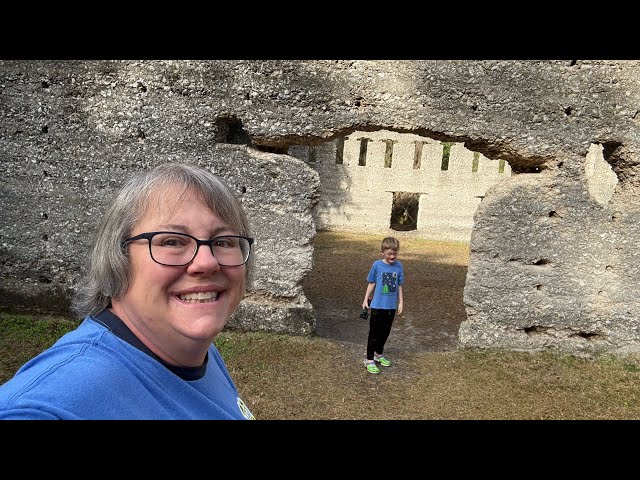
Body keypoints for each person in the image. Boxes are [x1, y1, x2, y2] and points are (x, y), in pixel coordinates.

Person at [0, 162, 256, 419]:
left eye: (223, 241)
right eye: (172, 241)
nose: (207, 262)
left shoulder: (195, 353)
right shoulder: (52, 405)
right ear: (119, 258)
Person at [361, 236, 404, 374]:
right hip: (378, 305)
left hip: (391, 306)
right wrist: (365, 299)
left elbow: (399, 285)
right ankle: (369, 359)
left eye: (395, 253)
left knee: (385, 332)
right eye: (389, 254)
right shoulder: (377, 265)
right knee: (374, 332)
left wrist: (401, 301)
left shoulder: (399, 266)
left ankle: (378, 354)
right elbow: (372, 282)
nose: (392, 256)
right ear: (383, 253)